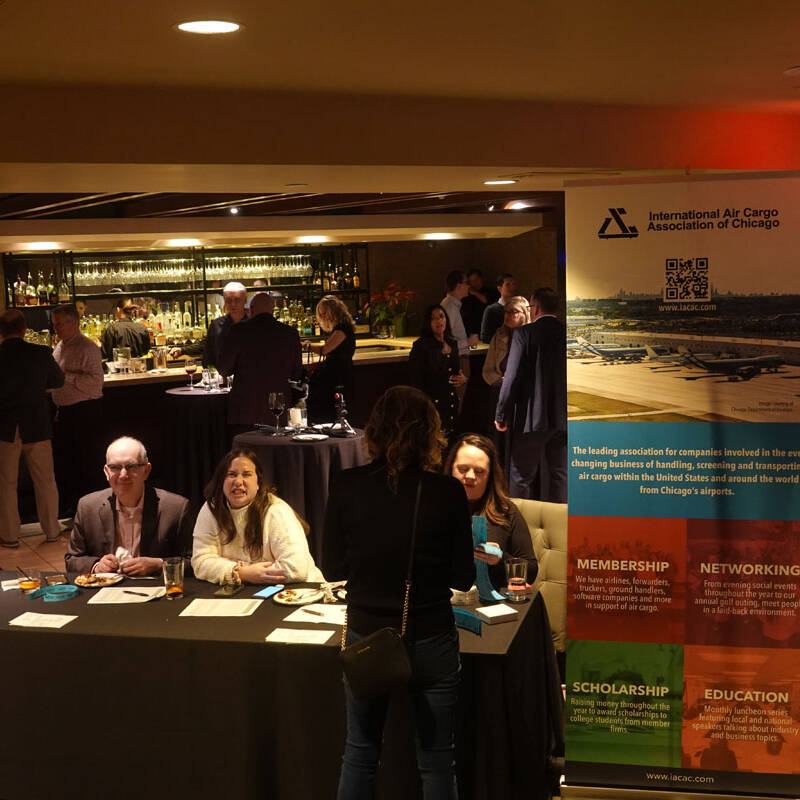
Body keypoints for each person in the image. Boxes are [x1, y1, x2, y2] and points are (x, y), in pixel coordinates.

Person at [323, 386, 475, 799]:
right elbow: (463, 578)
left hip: (367, 636)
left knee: (359, 753)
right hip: (430, 635)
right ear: (430, 434)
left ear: (373, 430)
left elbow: (331, 567)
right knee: (438, 759)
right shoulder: (446, 492)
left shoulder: (346, 485)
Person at [192, 448, 323, 585]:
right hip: (247, 592)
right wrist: (244, 573)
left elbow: (296, 568)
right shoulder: (211, 509)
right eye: (231, 474)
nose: (238, 482)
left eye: (247, 474)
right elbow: (200, 562)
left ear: (258, 483)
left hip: (303, 590)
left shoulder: (276, 511)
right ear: (222, 481)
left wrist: (236, 570)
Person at [65, 436, 192, 574]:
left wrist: (159, 565)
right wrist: (97, 566)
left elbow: (193, 562)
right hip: (107, 592)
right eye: (115, 467)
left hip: (155, 589)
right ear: (106, 472)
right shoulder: (88, 507)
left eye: (131, 467)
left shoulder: (176, 508)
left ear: (146, 471)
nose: (123, 475)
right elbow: (72, 559)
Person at [495, 287, 567, 502]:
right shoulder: (569, 333)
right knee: (560, 476)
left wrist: (501, 414)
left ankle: (521, 529)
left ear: (534, 309)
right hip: (564, 417)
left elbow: (512, 377)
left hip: (531, 419)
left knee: (521, 477)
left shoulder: (524, 334)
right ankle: (561, 528)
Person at [0, 309, 64, 547]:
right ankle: (51, 531)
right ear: (24, 328)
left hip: (5, 427)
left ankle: (9, 536)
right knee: (45, 480)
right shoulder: (40, 353)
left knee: (6, 484)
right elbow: (58, 381)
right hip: (36, 424)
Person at [444, 433, 537, 591]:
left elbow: (531, 571)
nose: (470, 476)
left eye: (479, 471)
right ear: (451, 468)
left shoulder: (505, 511)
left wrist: (500, 558)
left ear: (490, 476)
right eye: (463, 469)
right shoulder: (433, 506)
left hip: (488, 605)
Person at [217, 292, 302, 436]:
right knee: (277, 455)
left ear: (251, 310)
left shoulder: (238, 331)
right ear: (273, 310)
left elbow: (224, 369)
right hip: (278, 409)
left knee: (245, 454)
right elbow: (297, 372)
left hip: (245, 411)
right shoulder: (290, 333)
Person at [50, 303, 104, 517]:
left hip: (85, 412)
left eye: (60, 324)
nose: (56, 329)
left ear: (74, 322)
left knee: (86, 463)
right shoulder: (60, 346)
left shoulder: (87, 347)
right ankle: (76, 509)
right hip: (65, 412)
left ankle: (90, 510)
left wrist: (66, 377)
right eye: (54, 325)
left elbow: (96, 383)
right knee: (68, 464)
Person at [481, 296, 530, 475]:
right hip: (499, 395)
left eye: (514, 312)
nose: (508, 316)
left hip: (522, 399)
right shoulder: (499, 336)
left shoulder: (530, 337)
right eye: (506, 312)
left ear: (525, 315)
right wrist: (499, 382)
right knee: (497, 443)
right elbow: (487, 369)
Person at [408, 305, 465, 441]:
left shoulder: (452, 343)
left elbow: (456, 371)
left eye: (441, 316)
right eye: (433, 319)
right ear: (428, 323)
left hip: (450, 401)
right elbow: (416, 381)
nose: (439, 321)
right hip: (431, 403)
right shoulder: (421, 346)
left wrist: (462, 378)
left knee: (452, 440)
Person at [305, 295, 356, 424]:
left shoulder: (342, 329)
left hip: (337, 375)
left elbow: (325, 350)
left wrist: (307, 345)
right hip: (337, 372)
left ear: (335, 311)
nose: (323, 317)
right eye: (321, 314)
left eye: (325, 313)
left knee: (324, 405)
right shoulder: (340, 328)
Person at [171, 281, 248, 365]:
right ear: (224, 301)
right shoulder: (217, 325)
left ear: (245, 300)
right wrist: (183, 350)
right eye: (229, 300)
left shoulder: (254, 323)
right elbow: (205, 346)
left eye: (237, 300)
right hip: (223, 375)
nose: (233, 304)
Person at [440, 270, 480, 412]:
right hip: (456, 360)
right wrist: (468, 342)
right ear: (458, 286)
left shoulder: (453, 305)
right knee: (455, 405)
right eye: (467, 283)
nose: (469, 287)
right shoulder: (449, 306)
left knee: (457, 403)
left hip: (459, 358)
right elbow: (444, 340)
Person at [480, 273, 518, 343]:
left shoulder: (519, 308)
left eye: (514, 284)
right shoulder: (491, 310)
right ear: (500, 288)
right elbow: (485, 337)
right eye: (508, 284)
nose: (512, 287)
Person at [460, 268, 497, 338]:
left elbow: (488, 301)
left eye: (476, 280)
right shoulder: (466, 297)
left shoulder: (491, 292)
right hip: (471, 333)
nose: (475, 283)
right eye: (472, 281)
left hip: (487, 331)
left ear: (482, 279)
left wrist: (475, 293)